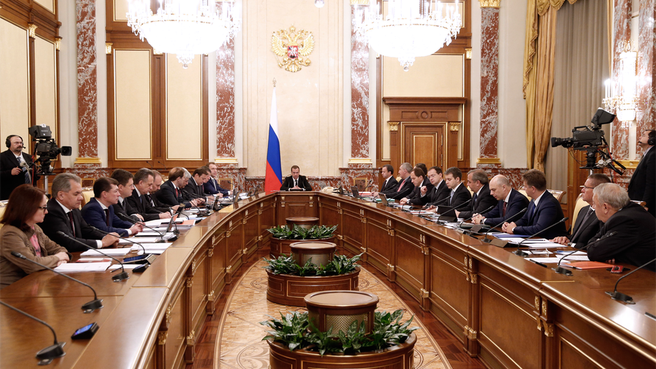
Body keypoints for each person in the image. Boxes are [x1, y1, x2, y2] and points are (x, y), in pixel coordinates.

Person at [0, 185, 70, 290]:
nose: (46, 212)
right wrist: (57, 258)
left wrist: (62, 259)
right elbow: (32, 264)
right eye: (43, 208)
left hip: (35, 284)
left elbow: (58, 249)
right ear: (28, 207)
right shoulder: (10, 234)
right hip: (12, 292)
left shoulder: (35, 228)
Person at [39, 173, 117, 252]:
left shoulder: (74, 209)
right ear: (61, 195)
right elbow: (68, 242)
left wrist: (107, 237)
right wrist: (102, 243)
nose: (81, 198)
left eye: (81, 193)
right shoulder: (51, 212)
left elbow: (86, 230)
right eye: (76, 194)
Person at [587, 183, 656, 271]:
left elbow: (594, 252)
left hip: (647, 276)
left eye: (595, 204)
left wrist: (610, 253)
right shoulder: (628, 212)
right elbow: (592, 244)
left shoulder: (625, 220)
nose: (593, 207)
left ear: (605, 207)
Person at [502, 169, 567, 238]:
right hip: (537, 240)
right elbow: (525, 219)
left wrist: (514, 229)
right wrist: (512, 224)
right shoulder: (533, 200)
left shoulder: (549, 203)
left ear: (533, 189)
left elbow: (539, 229)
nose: (523, 188)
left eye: (525, 186)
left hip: (552, 244)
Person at [551, 173, 611, 248]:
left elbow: (596, 243)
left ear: (597, 190)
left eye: (585, 187)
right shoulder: (583, 210)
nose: (582, 190)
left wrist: (570, 244)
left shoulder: (604, 214)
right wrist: (564, 239)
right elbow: (576, 238)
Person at [628, 129, 656, 218]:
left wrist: (645, 203)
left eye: (643, 135)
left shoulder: (654, 154)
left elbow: (651, 182)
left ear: (652, 140)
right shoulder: (649, 154)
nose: (640, 137)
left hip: (646, 203)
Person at [0, 135, 33, 200]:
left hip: (29, 191)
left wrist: (37, 173)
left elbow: (33, 175)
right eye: (16, 143)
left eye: (21, 143)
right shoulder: (2, 157)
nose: (20, 145)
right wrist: (10, 172)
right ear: (9, 144)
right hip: (10, 193)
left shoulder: (28, 157)